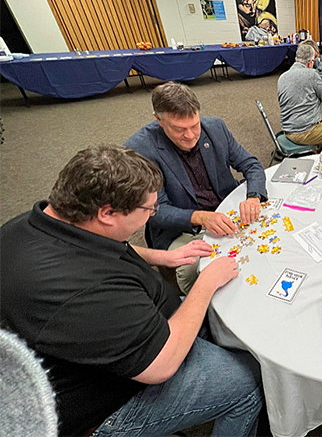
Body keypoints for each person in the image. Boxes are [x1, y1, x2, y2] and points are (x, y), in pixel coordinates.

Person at [0, 145, 263, 437]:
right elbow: (162, 363)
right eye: (149, 209)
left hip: (124, 334)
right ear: (108, 213)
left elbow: (112, 243)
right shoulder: (83, 290)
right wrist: (205, 283)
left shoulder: (39, 221)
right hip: (109, 400)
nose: (152, 214)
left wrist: (163, 257)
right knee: (248, 379)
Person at [125, 82, 267, 294]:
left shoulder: (216, 128)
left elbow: (251, 164)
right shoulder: (139, 149)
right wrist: (201, 217)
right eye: (179, 129)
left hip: (224, 209)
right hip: (182, 228)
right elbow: (155, 211)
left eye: (195, 125)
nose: (190, 136)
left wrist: (254, 196)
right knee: (209, 269)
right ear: (159, 120)